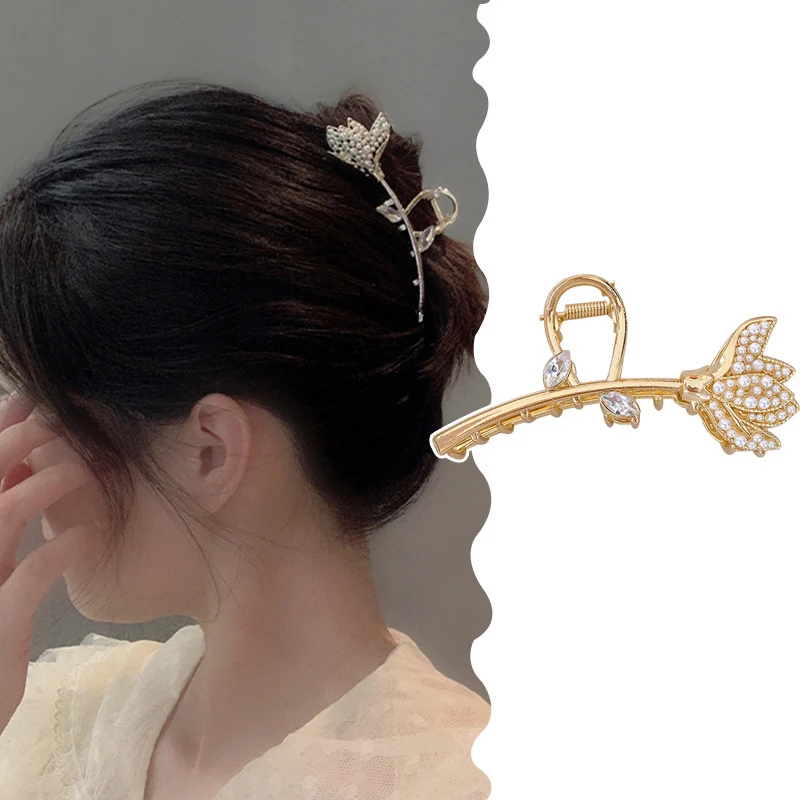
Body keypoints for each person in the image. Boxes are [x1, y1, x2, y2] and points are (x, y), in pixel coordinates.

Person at [0, 79, 490, 800]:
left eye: (44, 402)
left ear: (212, 451)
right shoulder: (47, 719)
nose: (17, 447)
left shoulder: (456, 784)